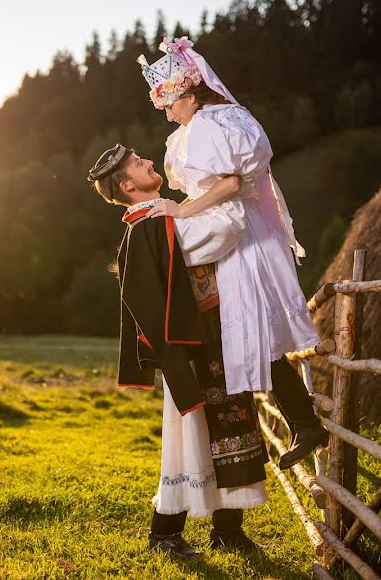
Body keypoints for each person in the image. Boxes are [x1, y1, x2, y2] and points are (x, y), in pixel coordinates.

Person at [138, 37, 327, 470]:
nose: (167, 114)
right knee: (252, 333)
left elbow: (226, 184)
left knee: (251, 330)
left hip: (237, 234)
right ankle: (302, 421)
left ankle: (301, 421)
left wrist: (181, 209)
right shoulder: (205, 124)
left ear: (186, 93)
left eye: (169, 104)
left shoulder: (209, 123)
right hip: (231, 230)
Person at [88, 143, 268, 558]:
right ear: (129, 184)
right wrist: (224, 186)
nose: (149, 162)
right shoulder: (156, 224)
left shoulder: (159, 220)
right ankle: (164, 534)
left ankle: (226, 531)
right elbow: (229, 227)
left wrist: (190, 203)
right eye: (138, 163)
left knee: (226, 427)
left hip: (208, 338)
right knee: (194, 434)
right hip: (192, 346)